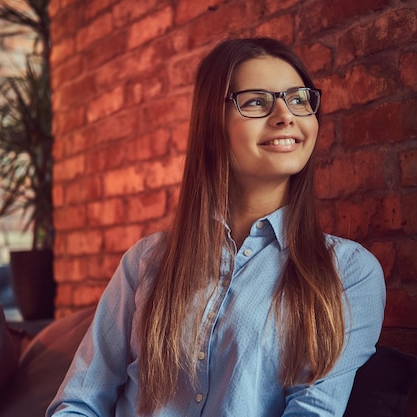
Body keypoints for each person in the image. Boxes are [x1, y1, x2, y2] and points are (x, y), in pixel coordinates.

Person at [46, 37, 385, 417]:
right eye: (257, 101)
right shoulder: (147, 260)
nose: (286, 114)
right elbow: (79, 402)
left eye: (299, 99)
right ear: (213, 124)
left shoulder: (348, 272)